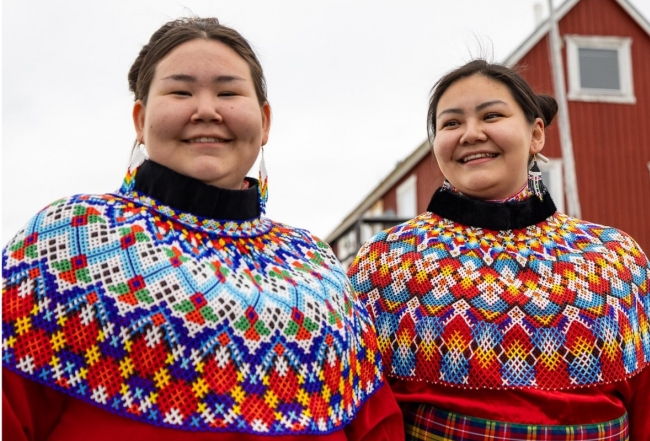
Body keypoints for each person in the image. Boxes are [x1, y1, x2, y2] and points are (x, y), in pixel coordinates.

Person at [2, 17, 404, 441]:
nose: (207, 110)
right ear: (140, 119)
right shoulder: (69, 239)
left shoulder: (317, 269)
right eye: (180, 91)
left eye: (229, 92)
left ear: (265, 122)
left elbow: (375, 425)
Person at [348, 59, 650, 440]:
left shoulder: (614, 258)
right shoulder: (386, 261)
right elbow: (365, 412)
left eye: (491, 115)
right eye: (451, 123)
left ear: (536, 134)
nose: (471, 134)